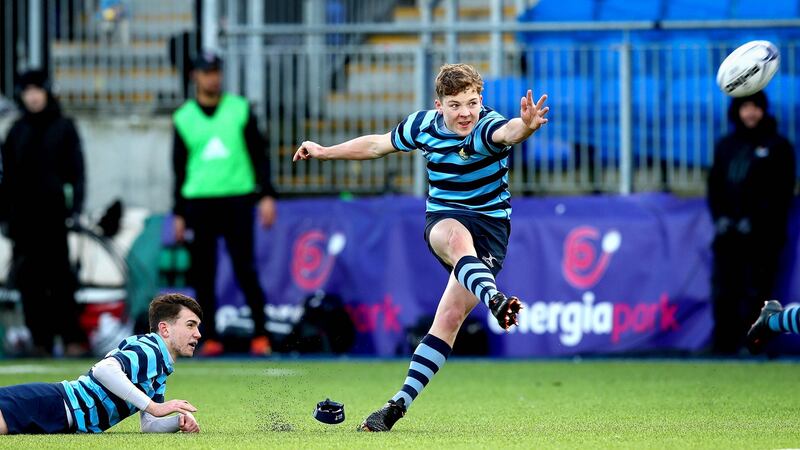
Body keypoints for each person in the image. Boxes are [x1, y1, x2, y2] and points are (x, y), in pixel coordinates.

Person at [294, 63, 549, 431]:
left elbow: (509, 132)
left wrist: (525, 125)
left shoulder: (486, 126)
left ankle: (395, 407)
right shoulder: (422, 125)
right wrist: (323, 150)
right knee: (458, 241)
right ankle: (494, 299)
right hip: (444, 217)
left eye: (472, 103)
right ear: (439, 104)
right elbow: (377, 144)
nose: (465, 113)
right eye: (455, 104)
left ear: (482, 100)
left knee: (448, 320)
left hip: (492, 228)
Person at [172, 50, 277, 357]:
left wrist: (266, 194)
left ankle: (261, 334)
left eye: (216, 71)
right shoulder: (184, 118)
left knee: (245, 268)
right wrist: (179, 212)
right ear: (195, 76)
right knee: (203, 274)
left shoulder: (239, 109)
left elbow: (260, 156)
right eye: (206, 72)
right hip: (199, 203)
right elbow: (178, 168)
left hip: (238, 200)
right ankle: (209, 337)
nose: (213, 77)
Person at [0, 293, 202, 434]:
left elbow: (149, 425)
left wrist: (178, 421)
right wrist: (155, 407)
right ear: (164, 329)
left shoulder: (160, 365)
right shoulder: (151, 351)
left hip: (61, 414)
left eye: (198, 327)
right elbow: (104, 370)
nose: (198, 334)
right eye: (190, 325)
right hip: (52, 403)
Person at [0, 69, 87, 356]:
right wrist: (6, 217)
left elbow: (77, 173)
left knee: (61, 280)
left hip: (54, 218)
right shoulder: (16, 131)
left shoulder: (64, 126)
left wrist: (75, 210)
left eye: (38, 89)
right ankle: (41, 340)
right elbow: (7, 178)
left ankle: (71, 337)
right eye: (28, 91)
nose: (33, 96)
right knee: (30, 284)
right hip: (24, 221)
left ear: (47, 91)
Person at [707, 90, 796, 355]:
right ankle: (723, 345)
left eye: (755, 107)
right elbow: (715, 186)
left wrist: (757, 220)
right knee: (725, 290)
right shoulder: (726, 145)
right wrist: (721, 217)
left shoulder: (778, 146)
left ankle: (754, 346)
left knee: (757, 291)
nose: (750, 113)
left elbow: (782, 192)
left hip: (764, 236)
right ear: (737, 111)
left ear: (763, 110)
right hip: (729, 234)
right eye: (745, 107)